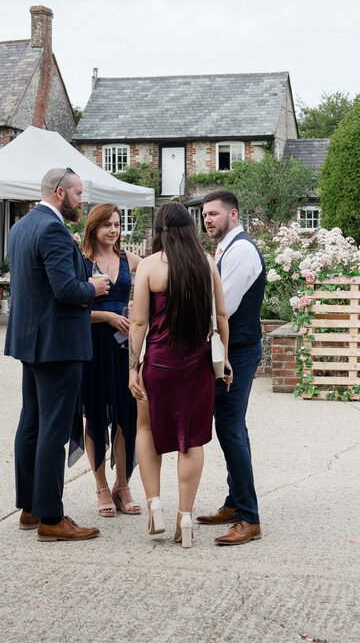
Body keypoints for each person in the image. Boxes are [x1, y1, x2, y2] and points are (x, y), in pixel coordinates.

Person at [6, 166, 110, 542]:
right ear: (60, 193)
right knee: (52, 430)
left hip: (31, 342)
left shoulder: (20, 227)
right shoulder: (51, 228)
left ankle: (31, 507)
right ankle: (51, 517)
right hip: (58, 344)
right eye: (79, 194)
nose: (83, 201)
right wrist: (93, 287)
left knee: (31, 424)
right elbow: (66, 289)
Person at [128, 201, 231, 548]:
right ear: (190, 228)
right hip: (198, 364)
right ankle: (185, 517)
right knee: (192, 440)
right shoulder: (206, 263)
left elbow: (139, 321)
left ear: (159, 231)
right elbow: (221, 316)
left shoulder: (149, 266)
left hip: (158, 364)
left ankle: (155, 503)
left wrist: (132, 366)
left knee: (146, 428)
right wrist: (225, 360)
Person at [197, 190, 265, 546]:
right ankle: (233, 501)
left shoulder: (241, 251)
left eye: (213, 214)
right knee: (230, 427)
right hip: (230, 349)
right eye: (205, 215)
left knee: (230, 428)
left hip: (238, 351)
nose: (207, 220)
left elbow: (222, 307)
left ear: (233, 215)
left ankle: (248, 518)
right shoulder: (225, 249)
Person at [71, 202, 142, 517]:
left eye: (117, 224)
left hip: (125, 347)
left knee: (127, 417)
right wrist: (106, 317)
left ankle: (122, 485)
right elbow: (70, 312)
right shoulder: (82, 263)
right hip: (93, 347)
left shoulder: (129, 259)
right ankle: (101, 487)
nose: (114, 230)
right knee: (96, 417)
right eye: (107, 225)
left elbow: (165, 267)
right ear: (93, 228)